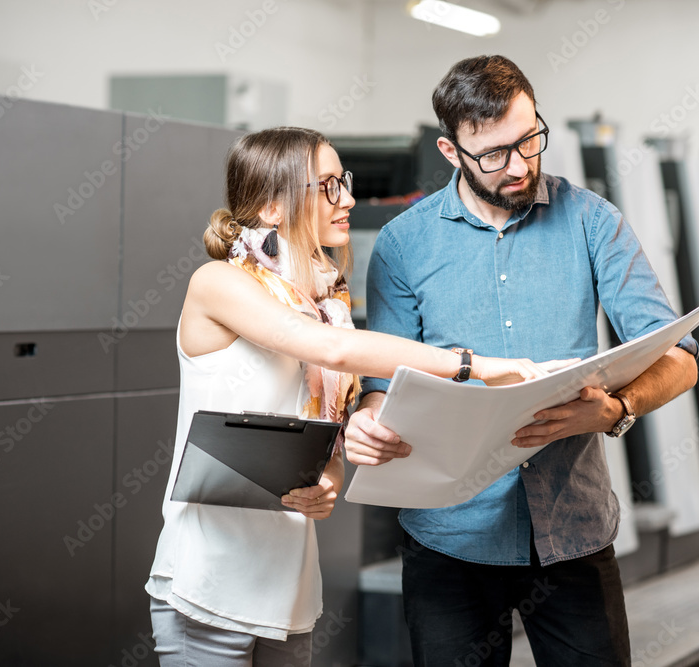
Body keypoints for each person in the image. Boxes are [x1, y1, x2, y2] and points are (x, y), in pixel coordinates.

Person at [145, 126, 552, 667]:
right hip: (207, 584)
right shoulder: (219, 284)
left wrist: (325, 485)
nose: (350, 201)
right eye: (329, 187)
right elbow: (333, 349)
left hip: (286, 590)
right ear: (270, 206)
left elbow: (326, 449)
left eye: (346, 182)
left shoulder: (326, 303)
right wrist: (470, 365)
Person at [344, 56, 699, 666]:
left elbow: (680, 357)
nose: (519, 166)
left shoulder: (592, 221)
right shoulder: (403, 244)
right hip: (448, 538)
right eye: (494, 154)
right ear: (451, 152)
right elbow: (384, 383)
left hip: (573, 533)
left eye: (530, 140)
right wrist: (371, 423)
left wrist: (616, 408)